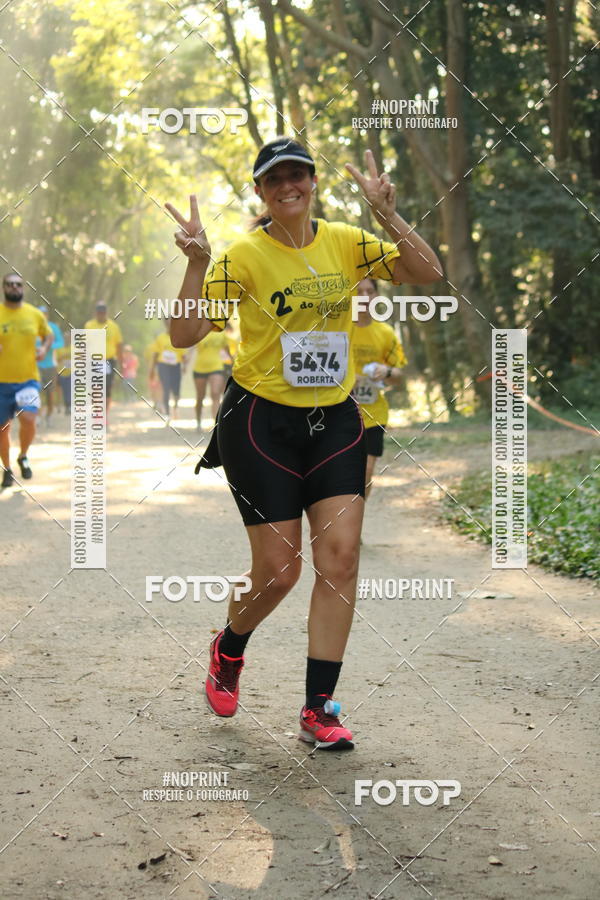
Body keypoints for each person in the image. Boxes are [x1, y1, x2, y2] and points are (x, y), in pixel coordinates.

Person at [167, 138, 442, 750]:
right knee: (280, 571)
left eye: (298, 174)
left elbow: (428, 272)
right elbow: (185, 333)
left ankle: (319, 708)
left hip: (335, 420)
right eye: (275, 179)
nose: (288, 185)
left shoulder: (347, 242)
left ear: (313, 182)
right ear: (261, 192)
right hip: (259, 422)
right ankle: (228, 647)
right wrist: (197, 262)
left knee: (340, 559)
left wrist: (388, 215)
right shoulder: (242, 256)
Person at [351, 277, 407, 500]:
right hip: (338, 412)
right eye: (359, 292)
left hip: (374, 414)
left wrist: (387, 371)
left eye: (370, 291)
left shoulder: (385, 333)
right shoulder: (339, 329)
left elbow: (399, 376)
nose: (365, 297)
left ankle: (357, 518)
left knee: (365, 471)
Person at [0, 273, 53, 487]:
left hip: (27, 380)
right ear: (4, 288)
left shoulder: (34, 314)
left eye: (18, 284)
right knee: (2, 429)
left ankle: (23, 455)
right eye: (10, 284)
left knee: (29, 419)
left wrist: (44, 348)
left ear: (23, 288)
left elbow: (48, 335)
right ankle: (7, 469)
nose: (14, 287)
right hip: (1, 383)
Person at [84, 301, 123, 413]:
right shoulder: (89, 326)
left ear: (106, 313)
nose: (101, 315)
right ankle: (97, 412)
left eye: (103, 313)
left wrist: (121, 364)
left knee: (107, 388)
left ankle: (105, 413)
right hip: (94, 360)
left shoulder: (113, 326)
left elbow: (119, 345)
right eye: (99, 313)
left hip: (109, 361)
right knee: (95, 388)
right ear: (96, 313)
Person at [192, 328, 231, 430]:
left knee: (215, 393)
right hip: (200, 368)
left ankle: (216, 424)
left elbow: (227, 349)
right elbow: (190, 347)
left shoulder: (221, 333)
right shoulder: (199, 331)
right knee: (200, 396)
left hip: (216, 367)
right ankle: (198, 422)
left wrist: (233, 362)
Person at [149, 321, 188, 422]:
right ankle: (167, 413)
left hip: (176, 366)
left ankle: (175, 406)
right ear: (165, 324)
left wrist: (185, 365)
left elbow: (184, 355)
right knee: (165, 388)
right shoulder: (160, 338)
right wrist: (152, 369)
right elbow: (156, 354)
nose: (169, 325)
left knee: (176, 390)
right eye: (168, 323)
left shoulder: (179, 337)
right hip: (163, 365)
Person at [36, 304, 64, 426]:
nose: (42, 316)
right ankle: (38, 416)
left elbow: (60, 342)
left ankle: (49, 416)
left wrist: (48, 346)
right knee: (36, 391)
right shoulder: (33, 327)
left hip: (51, 366)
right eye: (40, 314)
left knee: (50, 393)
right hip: (36, 365)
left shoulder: (53, 327)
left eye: (44, 314)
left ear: (47, 315)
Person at [56, 341, 72, 414]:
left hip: (70, 372)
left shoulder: (73, 348)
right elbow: (56, 360)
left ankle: (68, 406)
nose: (67, 339)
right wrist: (64, 356)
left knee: (69, 390)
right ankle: (59, 405)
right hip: (60, 372)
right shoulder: (59, 348)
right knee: (60, 390)